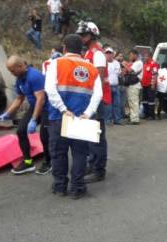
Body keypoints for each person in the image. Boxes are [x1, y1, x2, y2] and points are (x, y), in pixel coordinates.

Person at [45, 34, 103, 199]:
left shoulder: (55, 63)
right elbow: (97, 95)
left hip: (59, 117)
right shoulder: (91, 68)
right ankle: (77, 187)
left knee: (58, 153)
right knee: (80, 154)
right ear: (81, 50)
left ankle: (60, 186)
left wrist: (64, 109)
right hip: (82, 119)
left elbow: (50, 90)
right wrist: (88, 113)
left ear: (64, 48)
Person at [0, 56, 51, 175]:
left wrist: (33, 120)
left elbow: (41, 99)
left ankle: (49, 161)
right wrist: (7, 113)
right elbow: (19, 98)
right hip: (35, 106)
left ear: (21, 66)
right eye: (9, 71)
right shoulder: (19, 79)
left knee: (44, 136)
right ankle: (28, 162)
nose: (12, 73)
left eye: (12, 70)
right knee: (21, 131)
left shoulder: (34, 76)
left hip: (47, 108)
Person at [76, 21, 111, 183]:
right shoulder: (88, 53)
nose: (81, 37)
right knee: (89, 136)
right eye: (81, 35)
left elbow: (98, 79)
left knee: (96, 136)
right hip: (88, 100)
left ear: (92, 35)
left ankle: (99, 170)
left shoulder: (97, 53)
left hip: (95, 100)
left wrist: (92, 102)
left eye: (84, 34)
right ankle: (92, 164)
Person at [124, 49, 143, 125]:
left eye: (131, 55)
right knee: (131, 102)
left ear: (135, 55)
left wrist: (125, 65)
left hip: (135, 84)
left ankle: (135, 119)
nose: (130, 57)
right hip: (132, 84)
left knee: (134, 102)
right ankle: (132, 117)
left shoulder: (138, 63)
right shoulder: (135, 63)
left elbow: (131, 71)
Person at [105, 47, 123, 125]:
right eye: (107, 53)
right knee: (108, 104)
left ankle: (117, 120)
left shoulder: (116, 63)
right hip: (107, 86)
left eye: (110, 53)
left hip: (116, 86)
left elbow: (119, 73)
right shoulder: (103, 63)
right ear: (105, 54)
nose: (109, 55)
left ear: (113, 54)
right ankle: (108, 120)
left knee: (117, 104)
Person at [141, 50, 159, 120]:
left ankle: (152, 115)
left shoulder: (153, 63)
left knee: (151, 101)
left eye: (145, 56)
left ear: (149, 56)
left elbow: (155, 74)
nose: (144, 57)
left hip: (150, 85)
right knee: (144, 100)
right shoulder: (145, 64)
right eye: (144, 56)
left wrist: (153, 84)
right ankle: (146, 114)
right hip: (144, 85)